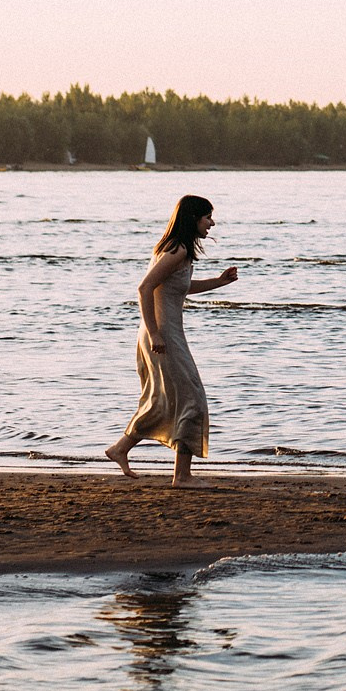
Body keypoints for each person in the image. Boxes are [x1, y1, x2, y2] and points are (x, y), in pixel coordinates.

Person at [105, 195, 239, 485]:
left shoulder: (178, 250)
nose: (212, 223)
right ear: (193, 219)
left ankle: (121, 448)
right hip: (162, 335)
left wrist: (219, 282)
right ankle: (182, 476)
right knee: (193, 398)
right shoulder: (178, 250)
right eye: (208, 217)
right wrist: (155, 333)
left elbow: (179, 287)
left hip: (164, 333)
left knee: (165, 399)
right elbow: (144, 288)